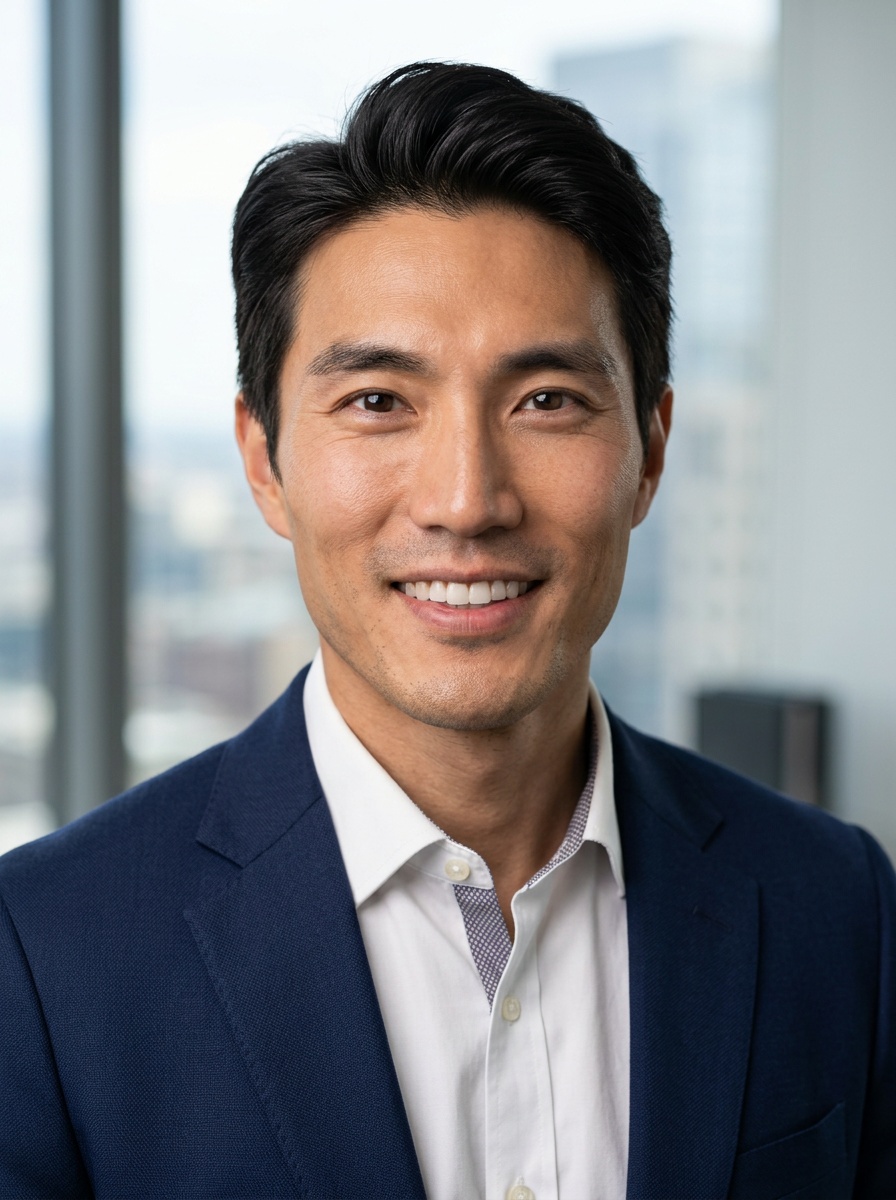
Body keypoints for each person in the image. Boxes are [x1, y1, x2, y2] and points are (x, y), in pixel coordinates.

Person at [0, 61, 893, 1200]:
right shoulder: (45, 955)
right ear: (264, 461)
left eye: (546, 401)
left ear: (650, 453)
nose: (466, 501)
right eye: (378, 402)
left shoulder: (835, 906)